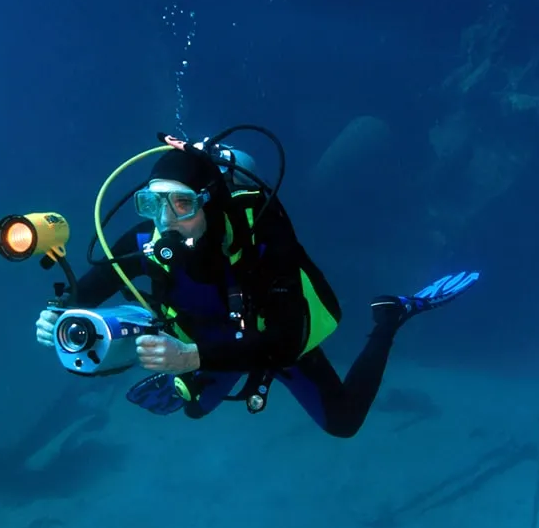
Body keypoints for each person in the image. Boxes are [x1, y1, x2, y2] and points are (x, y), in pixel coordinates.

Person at [35, 139, 477, 438]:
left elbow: (285, 340)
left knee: (343, 421)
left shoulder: (261, 234)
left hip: (266, 340)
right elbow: (85, 294)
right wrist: (57, 314)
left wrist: (189, 358)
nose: (165, 220)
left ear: (212, 199)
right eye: (153, 203)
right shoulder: (143, 239)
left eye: (182, 203)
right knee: (193, 409)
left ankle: (390, 319)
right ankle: (201, 374)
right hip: (206, 344)